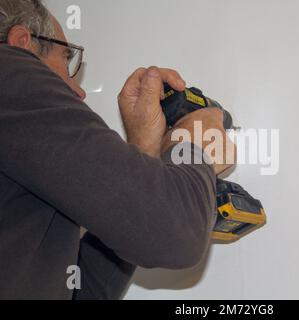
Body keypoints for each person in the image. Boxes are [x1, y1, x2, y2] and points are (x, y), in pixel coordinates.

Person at [0, 0, 235, 300]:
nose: (78, 90)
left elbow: (80, 291)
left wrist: (144, 151)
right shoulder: (9, 71)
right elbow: (175, 235)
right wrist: (193, 142)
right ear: (22, 44)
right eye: (66, 59)